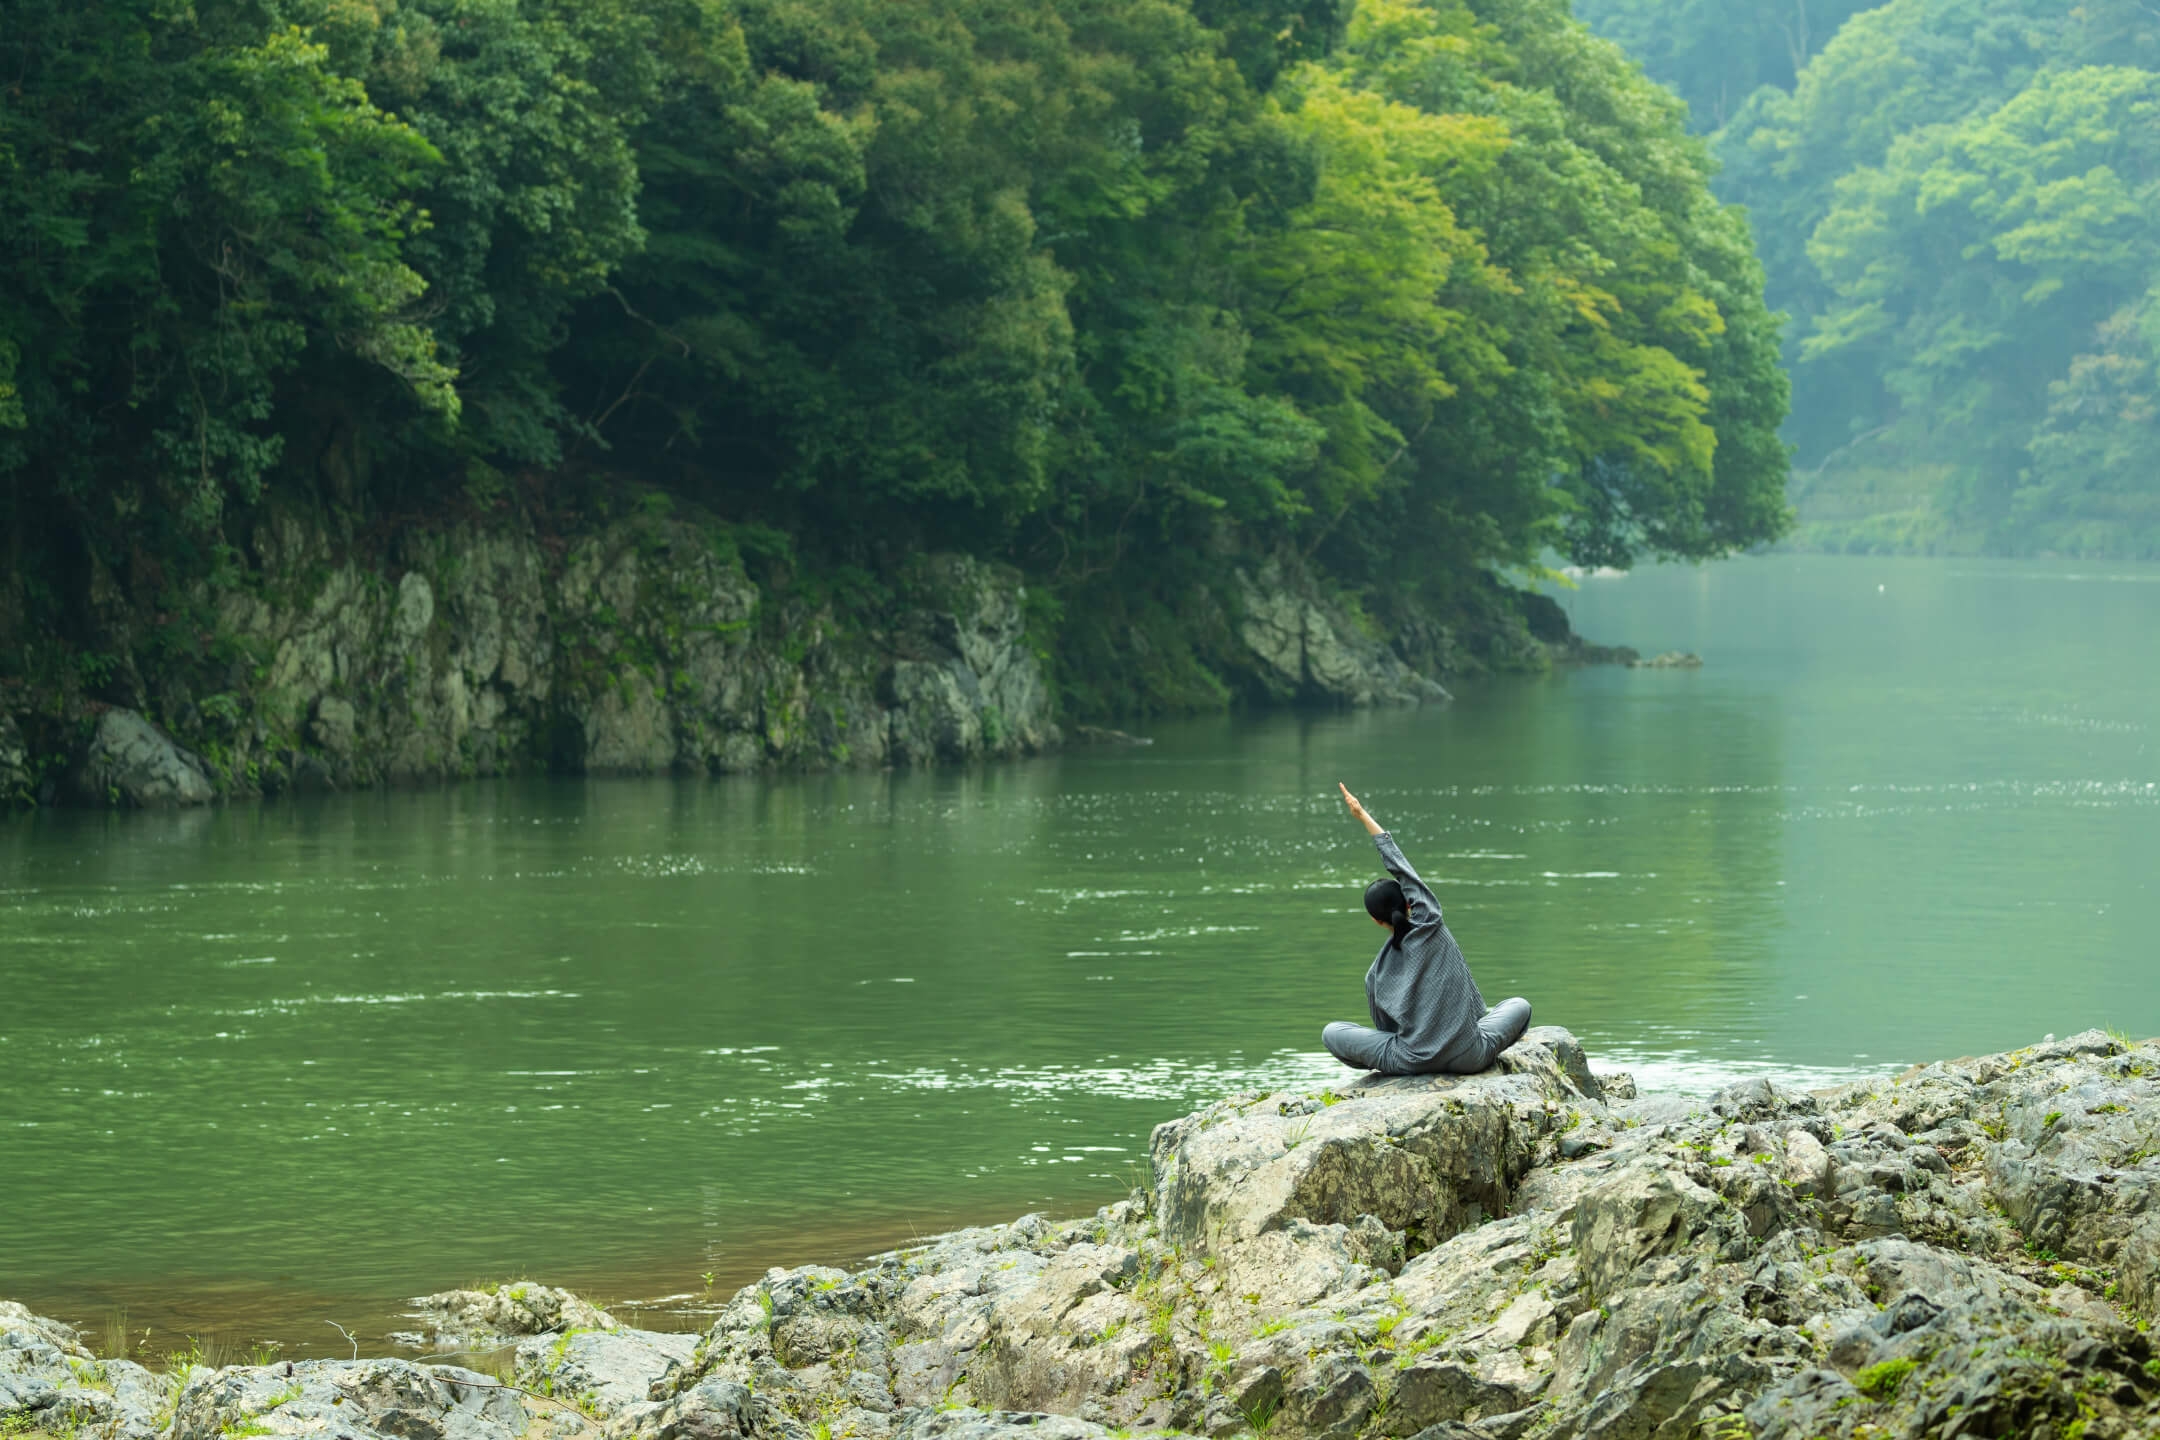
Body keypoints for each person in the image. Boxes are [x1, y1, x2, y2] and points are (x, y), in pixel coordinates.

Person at [1323, 782, 1532, 1075]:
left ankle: (1401, 1068)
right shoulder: (1430, 924)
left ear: (1375, 920)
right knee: (1519, 1005)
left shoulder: (1377, 973)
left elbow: (1386, 1030)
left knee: (1332, 1033)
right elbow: (1403, 869)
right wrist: (1363, 815)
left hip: (1410, 1060)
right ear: (1409, 905)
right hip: (1469, 1056)